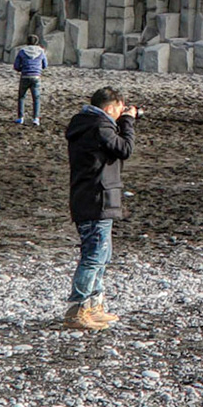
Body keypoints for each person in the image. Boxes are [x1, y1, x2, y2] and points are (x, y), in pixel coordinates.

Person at [64, 86, 137, 331]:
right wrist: (128, 122)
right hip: (97, 199)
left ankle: (93, 306)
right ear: (108, 108)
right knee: (94, 256)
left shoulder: (86, 125)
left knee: (101, 255)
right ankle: (78, 309)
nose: (120, 113)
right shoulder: (99, 126)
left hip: (92, 198)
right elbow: (125, 149)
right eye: (118, 108)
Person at [13, 34, 48, 126]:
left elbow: (16, 66)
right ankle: (36, 119)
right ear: (37, 42)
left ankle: (20, 118)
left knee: (21, 97)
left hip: (25, 76)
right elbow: (45, 65)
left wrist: (22, 69)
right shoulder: (41, 52)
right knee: (36, 98)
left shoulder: (22, 51)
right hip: (36, 76)